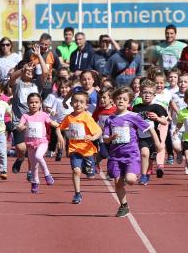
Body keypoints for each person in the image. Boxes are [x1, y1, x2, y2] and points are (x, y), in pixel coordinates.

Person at [102, 87, 153, 217]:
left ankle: (130, 174)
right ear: (114, 101)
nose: (121, 101)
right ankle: (124, 206)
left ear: (129, 103)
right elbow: (105, 139)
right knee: (117, 182)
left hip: (131, 154)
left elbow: (148, 127)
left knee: (130, 180)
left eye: (124, 99)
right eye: (118, 98)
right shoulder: (110, 119)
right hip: (115, 155)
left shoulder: (132, 116)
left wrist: (157, 143)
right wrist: (110, 138)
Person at [59, 91, 101, 204]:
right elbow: (59, 128)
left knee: (90, 177)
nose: (78, 104)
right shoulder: (69, 117)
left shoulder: (87, 117)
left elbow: (99, 131)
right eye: (76, 102)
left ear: (86, 105)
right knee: (76, 171)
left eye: (81, 102)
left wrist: (92, 138)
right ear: (71, 103)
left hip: (87, 150)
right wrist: (60, 137)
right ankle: (77, 194)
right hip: (74, 149)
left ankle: (89, 165)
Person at [17, 93, 61, 193]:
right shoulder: (25, 116)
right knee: (33, 166)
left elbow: (51, 122)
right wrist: (22, 127)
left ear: (40, 104)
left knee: (39, 156)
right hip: (30, 143)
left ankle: (47, 174)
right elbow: (20, 126)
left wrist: (58, 125)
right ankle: (35, 182)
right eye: (31, 103)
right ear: (27, 104)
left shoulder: (43, 115)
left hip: (42, 142)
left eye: (36, 102)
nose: (34, 104)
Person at [131, 80, 166, 184]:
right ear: (140, 93)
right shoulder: (136, 108)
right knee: (144, 153)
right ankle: (143, 175)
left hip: (154, 138)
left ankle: (148, 172)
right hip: (142, 137)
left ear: (154, 95)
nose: (147, 95)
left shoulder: (157, 107)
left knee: (151, 158)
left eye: (150, 93)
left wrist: (157, 119)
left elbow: (164, 121)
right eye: (145, 92)